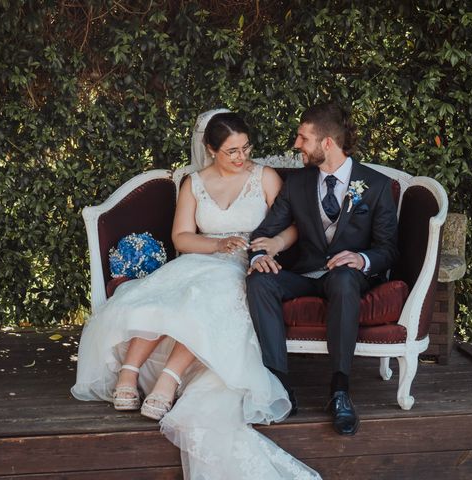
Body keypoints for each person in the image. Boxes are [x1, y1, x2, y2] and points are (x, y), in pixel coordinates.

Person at [71, 110, 321, 479]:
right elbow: (181, 238)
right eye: (231, 151)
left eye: (245, 148)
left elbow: (294, 227)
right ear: (210, 149)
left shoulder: (264, 178)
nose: (241, 158)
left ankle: (169, 378)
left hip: (244, 265)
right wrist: (217, 244)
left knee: (209, 297)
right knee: (161, 295)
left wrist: (266, 248)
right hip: (203, 257)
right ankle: (129, 372)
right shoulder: (194, 182)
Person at [246, 102, 399, 436]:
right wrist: (261, 256)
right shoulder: (298, 184)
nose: (296, 144)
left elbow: (388, 250)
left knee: (344, 279)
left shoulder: (376, 185)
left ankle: (340, 391)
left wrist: (362, 260)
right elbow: (263, 233)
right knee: (260, 281)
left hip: (348, 279)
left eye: (303, 137)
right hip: (304, 275)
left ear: (327, 142)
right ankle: (279, 386)